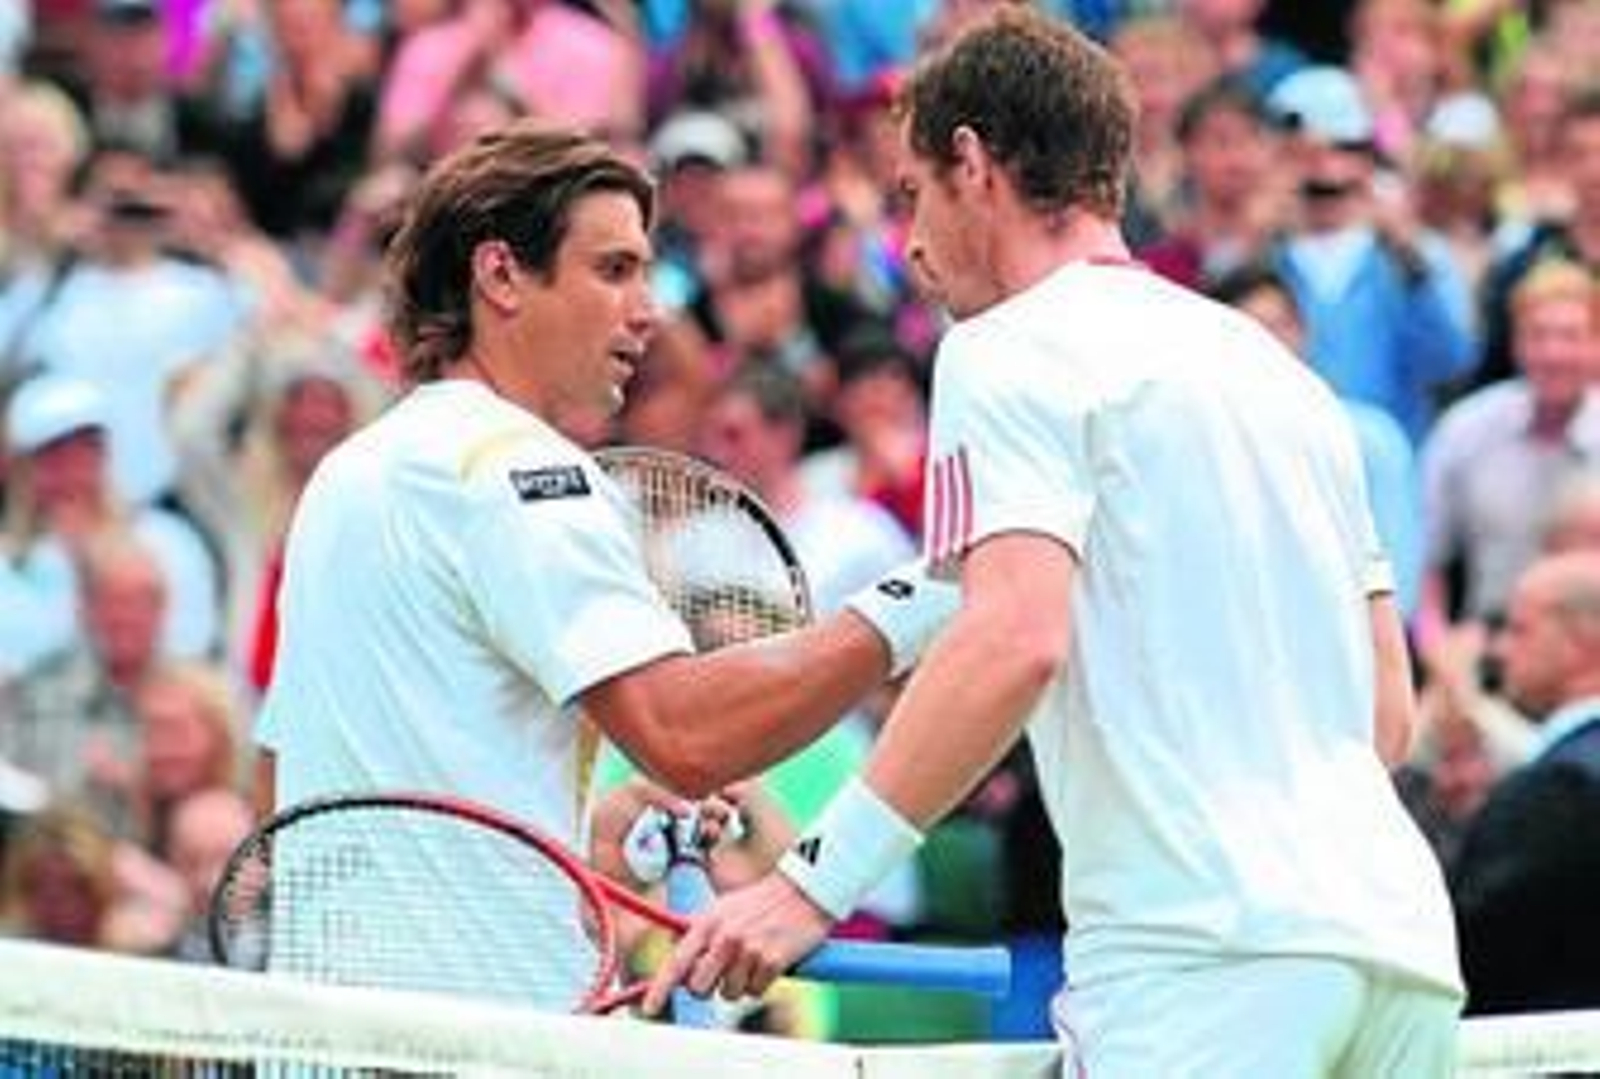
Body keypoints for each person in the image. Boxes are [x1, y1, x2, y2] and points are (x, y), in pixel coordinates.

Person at [643, 12, 1463, 1077]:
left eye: (914, 193)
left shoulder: (1002, 348)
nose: (910, 244)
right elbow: (1384, 715)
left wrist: (807, 886)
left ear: (973, 164)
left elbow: (1014, 638)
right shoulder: (1286, 380)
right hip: (1400, 945)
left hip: (1203, 961)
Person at [257, 119, 953, 1001]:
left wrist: (572, 844)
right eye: (613, 270)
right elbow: (687, 740)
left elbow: (292, 786)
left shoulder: (346, 473)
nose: (648, 309)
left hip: (323, 1027)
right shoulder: (523, 469)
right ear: (500, 274)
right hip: (483, 1035)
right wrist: (934, 589)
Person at [1449, 551, 1600, 1014]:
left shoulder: (1567, 785)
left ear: (1582, 644)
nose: (1497, 650)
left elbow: (1468, 942)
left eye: (1519, 629)